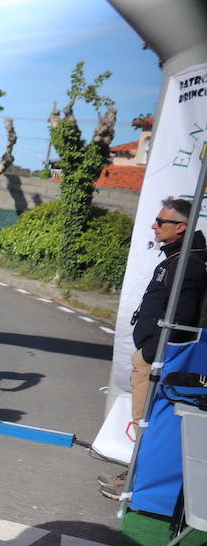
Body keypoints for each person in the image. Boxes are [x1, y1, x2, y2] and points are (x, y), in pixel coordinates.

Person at [100, 197, 207, 499]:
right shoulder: (179, 258)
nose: (154, 226)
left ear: (181, 227)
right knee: (142, 420)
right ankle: (134, 474)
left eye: (161, 222)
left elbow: (181, 318)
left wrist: (151, 352)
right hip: (151, 355)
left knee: (145, 421)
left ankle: (135, 482)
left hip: (156, 359)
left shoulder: (189, 263)